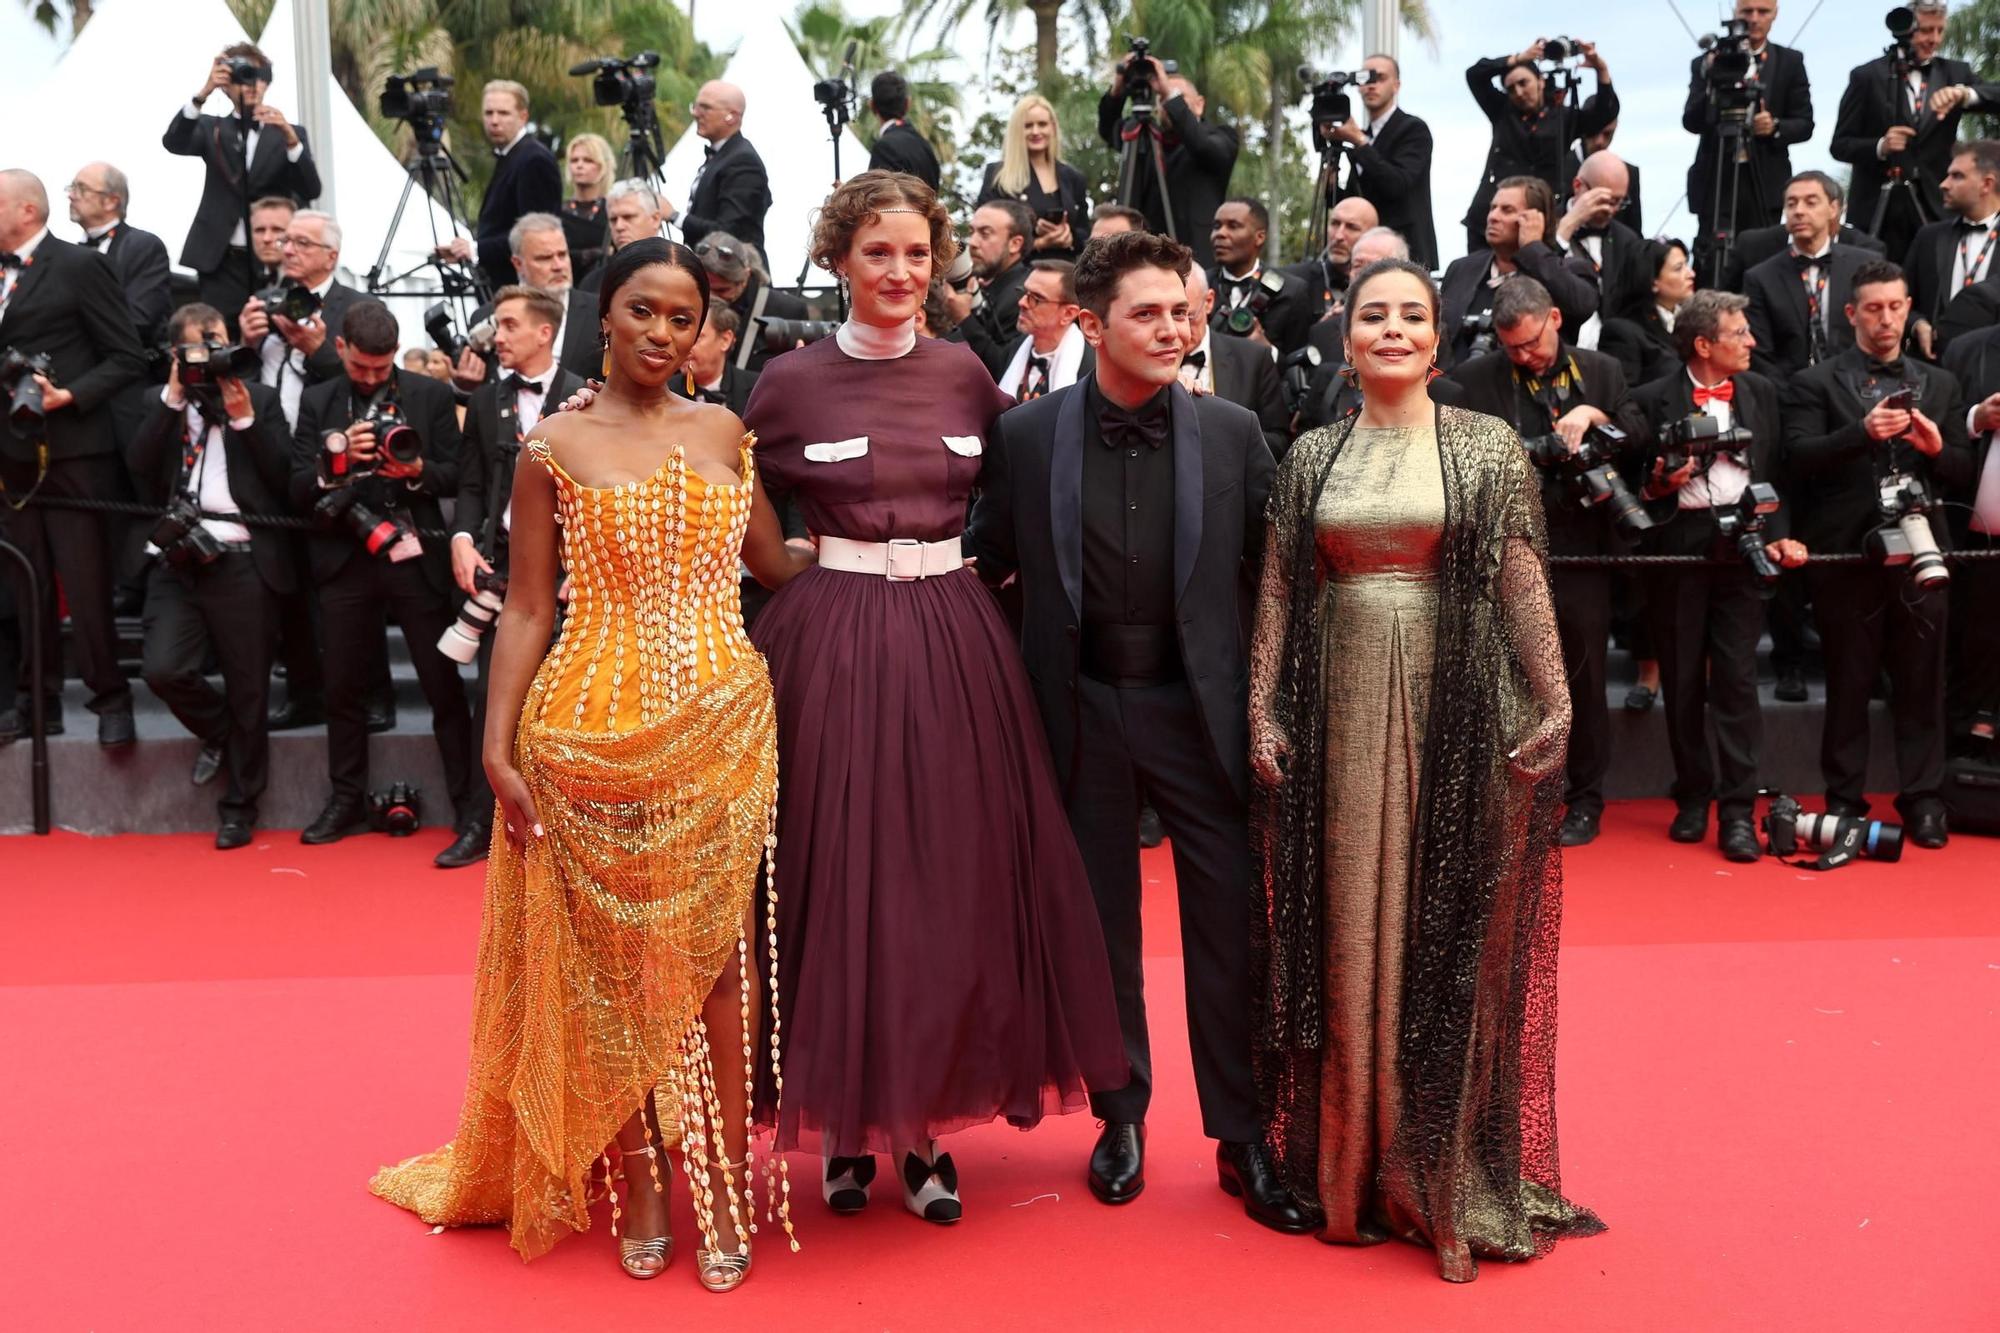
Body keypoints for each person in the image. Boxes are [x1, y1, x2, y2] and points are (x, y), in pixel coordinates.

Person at [372, 238, 806, 1285]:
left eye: (684, 316)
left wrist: (894, 535)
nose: (664, 333)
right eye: (643, 312)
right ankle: (644, 1182)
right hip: (586, 732)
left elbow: (774, 563)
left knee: (718, 967)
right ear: (601, 318)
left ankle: (725, 1187)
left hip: (722, 726)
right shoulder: (549, 448)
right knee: (614, 974)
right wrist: (494, 739)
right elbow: (526, 603)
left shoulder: (725, 429)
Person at [742, 170, 1125, 1224]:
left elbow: (1040, 472)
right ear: (837, 259)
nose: (901, 273)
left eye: (917, 253)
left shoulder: (965, 374)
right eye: (878, 253)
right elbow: (717, 483)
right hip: (825, 653)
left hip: (957, 651)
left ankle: (917, 1136)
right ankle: (843, 1125)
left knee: (937, 886)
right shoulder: (785, 381)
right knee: (830, 882)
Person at [1246, 255, 1601, 1283]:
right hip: (1336, 716)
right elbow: (1275, 589)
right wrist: (1261, 701)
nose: (1392, 329)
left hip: (1457, 709)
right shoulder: (1309, 453)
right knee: (1344, 923)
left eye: (1412, 316)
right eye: (1373, 316)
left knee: (1446, 924)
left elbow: (1517, 575)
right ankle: (1348, 1163)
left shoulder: (1486, 445)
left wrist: (1557, 693)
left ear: (1439, 340)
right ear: (1345, 338)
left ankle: (1435, 1165)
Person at [963, 226, 1295, 1232]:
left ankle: (1242, 1137)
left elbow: (1277, 574)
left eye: (1182, 311)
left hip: (1201, 711)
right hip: (1079, 705)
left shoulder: (1234, 430)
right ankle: (1120, 1117)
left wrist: (1271, 701)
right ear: (1089, 324)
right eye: (1148, 312)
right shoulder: (1023, 436)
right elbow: (978, 562)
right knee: (1100, 927)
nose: (1173, 327)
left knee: (1231, 927)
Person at [1783, 259, 1972, 847]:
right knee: (1848, 684)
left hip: (1924, 554)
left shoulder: (1939, 383)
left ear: (1909, 305)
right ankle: (1844, 801)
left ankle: (1923, 800)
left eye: (1895, 307)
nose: (1886, 319)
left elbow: (1964, 473)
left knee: (1922, 685)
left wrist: (1939, 449)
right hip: (1846, 556)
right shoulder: (1812, 383)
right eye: (1873, 308)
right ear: (1851, 313)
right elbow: (1795, 460)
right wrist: (1860, 433)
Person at [1619, 289, 1807, 860]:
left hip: (1744, 545)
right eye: (1739, 333)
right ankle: (1692, 797)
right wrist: (1658, 486)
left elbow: (1777, 472)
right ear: (1703, 344)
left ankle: (1736, 812)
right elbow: (1631, 487)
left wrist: (1778, 537)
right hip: (1678, 549)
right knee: (1679, 681)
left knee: (1737, 681)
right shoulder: (1651, 398)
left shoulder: (1763, 392)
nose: (1752, 341)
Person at [1446, 276, 1633, 847]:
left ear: (1555, 319)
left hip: (1581, 550)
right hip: (1505, 552)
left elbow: (1640, 432)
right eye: (1513, 348)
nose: (1524, 356)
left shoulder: (1602, 371)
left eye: (1532, 344)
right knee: (1504, 679)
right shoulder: (1474, 379)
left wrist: (1596, 417)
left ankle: (1585, 798)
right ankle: (1512, 799)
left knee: (1584, 677)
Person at [287, 298, 475, 846]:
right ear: (340, 348)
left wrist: (415, 471)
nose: (371, 377)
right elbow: (296, 484)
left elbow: (458, 473)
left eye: (382, 366)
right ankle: (344, 799)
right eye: (360, 367)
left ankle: (466, 807)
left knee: (442, 685)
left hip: (415, 557)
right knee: (342, 688)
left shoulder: (430, 394)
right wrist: (336, 461)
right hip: (345, 558)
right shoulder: (320, 399)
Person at [126, 302, 294, 849]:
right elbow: (139, 470)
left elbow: (282, 478)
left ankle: (240, 807)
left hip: (243, 559)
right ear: (177, 354)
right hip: (176, 559)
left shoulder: (260, 398)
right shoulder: (160, 404)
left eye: (218, 342)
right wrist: (174, 399)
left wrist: (244, 420)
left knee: (250, 689)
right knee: (163, 670)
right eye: (199, 347)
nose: (212, 355)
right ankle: (224, 733)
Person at [441, 285, 589, 871]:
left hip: (577, 576)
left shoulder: (587, 393)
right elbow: (472, 481)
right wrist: (461, 538)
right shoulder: (484, 400)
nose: (495, 335)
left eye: (506, 324)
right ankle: (480, 825)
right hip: (505, 566)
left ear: (543, 331)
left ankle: (572, 830)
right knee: (492, 697)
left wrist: (585, 567)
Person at [0, 168, 147, 747]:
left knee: (85, 585)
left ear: (27, 211)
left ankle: (110, 698)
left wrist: (70, 394)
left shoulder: (82, 266)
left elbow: (127, 356)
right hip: (9, 460)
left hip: (77, 453)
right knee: (24, 581)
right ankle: (38, 700)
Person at [162, 42, 322, 335]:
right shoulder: (213, 127)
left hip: (272, 258)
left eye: (261, 76)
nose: (253, 84)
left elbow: (311, 188)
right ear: (227, 84)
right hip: (220, 258)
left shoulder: (289, 132)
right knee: (221, 332)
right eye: (244, 76)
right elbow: (174, 142)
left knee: (276, 330)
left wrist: (290, 140)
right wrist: (203, 93)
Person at [1832, 0, 2000, 267]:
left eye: (1939, 30)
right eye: (1924, 30)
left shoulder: (1956, 72)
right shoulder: (1867, 76)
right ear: (1905, 28)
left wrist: (1964, 94)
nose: (1933, 39)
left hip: (1937, 203)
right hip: (1879, 209)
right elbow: (1839, 145)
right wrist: (1880, 146)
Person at [1684, 0, 1813, 278]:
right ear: (1735, 15)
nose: (1754, 19)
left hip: (1764, 181)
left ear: (1774, 15)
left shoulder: (1790, 61)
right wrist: (1711, 81)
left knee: (1763, 255)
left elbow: (1804, 124)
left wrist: (1774, 126)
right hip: (1715, 177)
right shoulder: (1706, 62)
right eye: (1747, 12)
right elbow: (1691, 121)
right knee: (1711, 258)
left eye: (1763, 12)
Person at [1462, 38, 1618, 253]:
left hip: (1538, 218)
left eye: (1523, 83)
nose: (1518, 92)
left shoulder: (1564, 117)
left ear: (1541, 81)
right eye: (1511, 88)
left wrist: (1600, 69)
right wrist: (1517, 58)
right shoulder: (1502, 110)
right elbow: (1475, 75)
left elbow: (1605, 113)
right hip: (1492, 214)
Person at [1439, 175, 1600, 368]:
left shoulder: (1570, 269)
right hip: (1458, 386)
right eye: (1493, 208)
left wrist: (1532, 247)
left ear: (1537, 219)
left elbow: (1582, 305)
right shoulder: (1462, 268)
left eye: (1507, 210)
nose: (1493, 217)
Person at [1097, 56, 1239, 268]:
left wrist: (1169, 94)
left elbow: (1202, 146)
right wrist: (1119, 89)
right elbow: (1109, 128)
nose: (1167, 104)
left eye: (1177, 98)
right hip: (1148, 260)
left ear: (1199, 104)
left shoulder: (1221, 136)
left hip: (1198, 260)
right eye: (1161, 99)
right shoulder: (1145, 137)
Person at [438, 81, 561, 296]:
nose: (494, 121)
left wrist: (476, 249)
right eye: (489, 113)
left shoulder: (533, 159)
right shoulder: (512, 155)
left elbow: (534, 234)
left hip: (522, 291)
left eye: (503, 113)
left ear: (523, 116)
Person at [240, 208, 360, 424]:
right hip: (265, 434)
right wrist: (247, 343)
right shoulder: (264, 301)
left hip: (325, 436)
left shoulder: (359, 307)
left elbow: (367, 382)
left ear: (331, 257)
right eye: (285, 241)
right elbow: (245, 376)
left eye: (302, 243)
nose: (287, 250)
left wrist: (318, 351)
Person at [1745, 171, 1869, 378]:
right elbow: (1760, 355)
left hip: (1857, 388)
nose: (1799, 211)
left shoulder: (1864, 265)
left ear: (1833, 209)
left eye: (1810, 203)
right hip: (1790, 392)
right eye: (1791, 204)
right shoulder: (1761, 277)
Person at [1321, 54, 1437, 269]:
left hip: (1403, 252)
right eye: (1365, 79)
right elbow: (1349, 201)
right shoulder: (1359, 138)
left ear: (1396, 85)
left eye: (1380, 78)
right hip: (1360, 256)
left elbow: (1397, 184)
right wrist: (1331, 180)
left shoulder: (1413, 129)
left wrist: (1359, 142)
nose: (1371, 85)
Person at [1942, 324, 2000, 749]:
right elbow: (1940, 424)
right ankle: (1968, 746)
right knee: (1975, 637)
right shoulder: (1967, 348)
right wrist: (1975, 419)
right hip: (1979, 529)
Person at [1179, 264, 1288, 459]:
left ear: (1209, 301)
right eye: (1171, 317)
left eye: (1188, 316)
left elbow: (1280, 442)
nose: (1180, 331)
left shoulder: (1254, 359)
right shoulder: (1143, 360)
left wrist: (1224, 436)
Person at [1905, 140, 2000, 359]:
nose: (1943, 184)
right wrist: (1916, 323)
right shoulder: (1928, 237)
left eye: (1957, 176)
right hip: (1935, 370)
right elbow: (1902, 298)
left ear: (1986, 184)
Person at [978, 94, 1091, 264]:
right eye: (1028, 126)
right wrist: (1038, 243)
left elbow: (1086, 233)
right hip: (1017, 277)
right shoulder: (997, 176)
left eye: (1042, 124)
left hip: (1066, 275)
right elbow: (985, 234)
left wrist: (1070, 237)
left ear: (1053, 127)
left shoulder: (1073, 177)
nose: (1036, 131)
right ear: (1017, 130)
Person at [65, 162, 170, 345]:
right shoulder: (71, 254)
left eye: (81, 189)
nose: (71, 196)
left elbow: (140, 318)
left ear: (111, 201)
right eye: (72, 187)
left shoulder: (143, 247)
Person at [1553, 151, 1647, 349]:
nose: (1612, 210)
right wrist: (1568, 226)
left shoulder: (1627, 241)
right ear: (1578, 186)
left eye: (1620, 202)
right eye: (1606, 200)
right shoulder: (1544, 226)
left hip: (1605, 356)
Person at [666, 81, 772, 254]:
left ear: (732, 116)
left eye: (705, 108)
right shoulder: (724, 155)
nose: (695, 114)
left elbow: (730, 231)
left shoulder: (743, 160)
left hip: (734, 276)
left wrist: (675, 217)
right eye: (695, 106)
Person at [694, 230, 807, 374]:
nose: (712, 298)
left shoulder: (788, 310)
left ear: (745, 277)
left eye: (722, 291)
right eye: (705, 289)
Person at [1209, 198, 1311, 356]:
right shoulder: (1196, 284)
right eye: (1217, 226)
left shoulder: (1292, 291)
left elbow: (1297, 364)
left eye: (1233, 226)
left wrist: (1267, 350)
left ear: (1260, 237)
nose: (1220, 234)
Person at [952, 199, 1037, 378]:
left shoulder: (1027, 295)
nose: (972, 242)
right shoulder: (984, 283)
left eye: (985, 233)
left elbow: (1006, 368)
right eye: (971, 232)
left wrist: (963, 318)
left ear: (1015, 244)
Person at [1601, 238, 1695, 388]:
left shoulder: (1694, 323)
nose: (1691, 274)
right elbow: (1622, 397)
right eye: (1678, 268)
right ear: (1653, 282)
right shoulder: (1622, 331)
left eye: (1687, 266)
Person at [997, 259, 1091, 400]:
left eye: (1036, 298)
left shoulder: (1091, 370)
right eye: (1024, 292)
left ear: (1068, 314)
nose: (1021, 302)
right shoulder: (1015, 347)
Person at [1280, 197, 1375, 327]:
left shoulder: (1383, 286)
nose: (1338, 236)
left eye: (1352, 227)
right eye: (1335, 223)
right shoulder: (1291, 280)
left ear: (1372, 236)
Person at [673, 304, 760, 414]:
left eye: (697, 338)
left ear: (725, 340)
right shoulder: (663, 391)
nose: (686, 346)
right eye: (682, 337)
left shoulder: (757, 389)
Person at [1572, 100, 1642, 234]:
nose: (1599, 141)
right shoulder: (1558, 169)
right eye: (1593, 132)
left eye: (1607, 134)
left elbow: (1635, 231)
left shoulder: (1629, 173)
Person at [867, 72, 941, 192]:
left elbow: (879, 201)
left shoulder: (884, 148)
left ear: (871, 105)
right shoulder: (925, 146)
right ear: (908, 104)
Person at [560, 131, 614, 281]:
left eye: (588, 160)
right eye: (574, 160)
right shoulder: (557, 212)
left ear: (603, 165)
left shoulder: (613, 211)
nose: (579, 165)